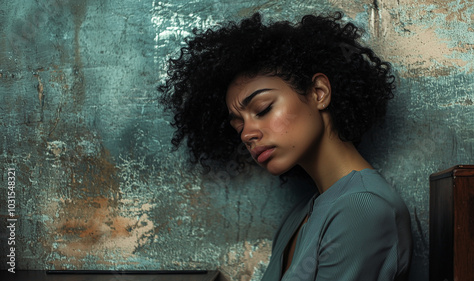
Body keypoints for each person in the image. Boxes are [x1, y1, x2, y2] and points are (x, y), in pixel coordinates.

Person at [158, 11, 412, 281]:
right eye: (238, 125)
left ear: (318, 93)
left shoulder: (363, 209)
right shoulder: (300, 216)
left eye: (263, 108)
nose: (247, 134)